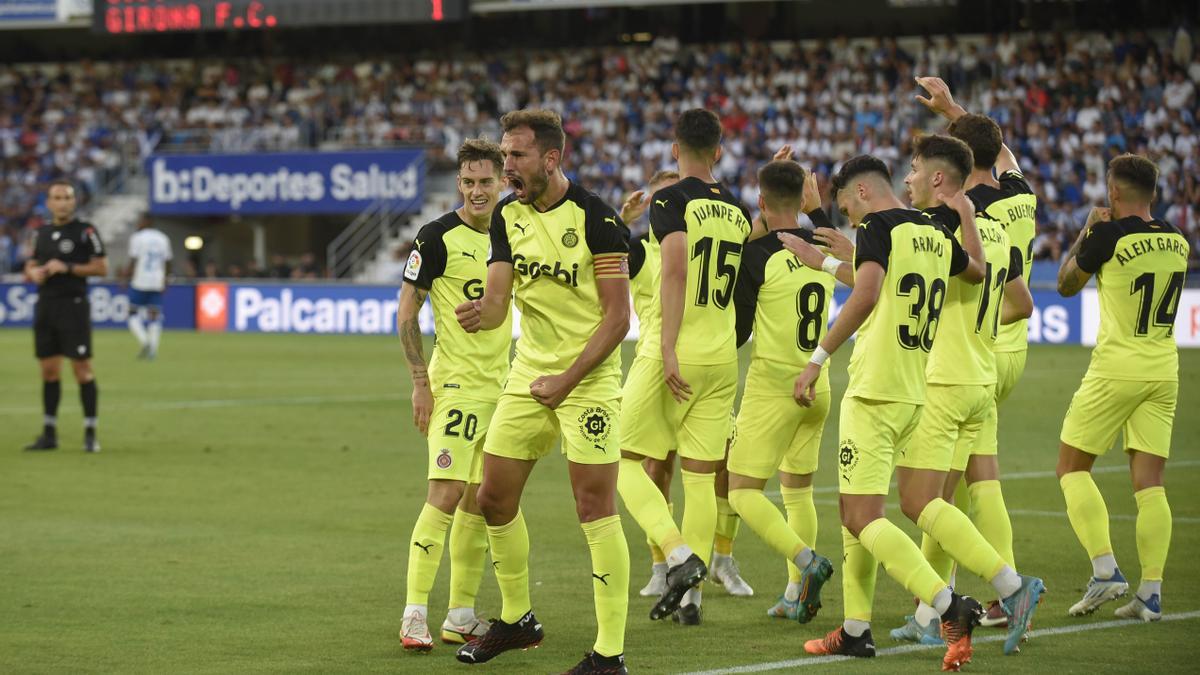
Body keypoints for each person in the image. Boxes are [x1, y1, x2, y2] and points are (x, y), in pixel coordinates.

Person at [785, 153, 988, 669]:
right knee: (859, 513)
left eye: (847, 209)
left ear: (860, 194)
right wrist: (827, 262)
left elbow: (869, 292)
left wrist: (815, 361)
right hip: (914, 391)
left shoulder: (877, 224)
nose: (851, 221)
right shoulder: (932, 231)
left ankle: (949, 604)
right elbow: (978, 271)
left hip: (874, 388)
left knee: (860, 515)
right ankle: (856, 630)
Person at [454, 109, 632, 674]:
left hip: (588, 380)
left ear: (551, 159)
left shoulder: (598, 219)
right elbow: (502, 298)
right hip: (529, 375)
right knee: (492, 497)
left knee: (594, 508)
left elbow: (617, 319)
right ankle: (518, 619)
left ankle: (609, 654)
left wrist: (567, 380)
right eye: (505, 155)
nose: (507, 166)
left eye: (517, 156)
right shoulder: (509, 216)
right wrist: (482, 313)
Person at [884, 135, 1041, 655]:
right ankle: (932, 614)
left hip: (943, 383)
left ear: (937, 179)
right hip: (981, 378)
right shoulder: (992, 227)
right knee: (942, 502)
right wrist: (975, 327)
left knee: (918, 500)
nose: (906, 178)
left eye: (912, 169)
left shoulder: (933, 230)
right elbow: (1021, 303)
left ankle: (1010, 587)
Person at [615, 108, 752, 626]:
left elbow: (673, 271)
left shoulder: (670, 200)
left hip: (674, 352)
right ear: (718, 151)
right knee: (698, 478)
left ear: (676, 150)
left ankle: (677, 555)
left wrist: (669, 346)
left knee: (622, 460)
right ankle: (691, 602)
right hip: (723, 358)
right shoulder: (736, 212)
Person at [914, 75, 1042, 629]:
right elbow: (1002, 152)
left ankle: (937, 605)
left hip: (973, 343)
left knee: (937, 487)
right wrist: (955, 111)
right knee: (977, 481)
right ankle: (977, 599)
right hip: (1008, 341)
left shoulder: (964, 211)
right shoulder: (1019, 195)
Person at [1056, 154, 1189, 623]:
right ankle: (1150, 592)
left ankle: (1105, 568)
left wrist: (1087, 231)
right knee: (1150, 484)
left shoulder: (1107, 234)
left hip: (1117, 367)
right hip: (1163, 369)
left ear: (1113, 193)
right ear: (1152, 193)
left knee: (1071, 468)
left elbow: (1067, 284)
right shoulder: (1177, 238)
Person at [726, 160, 853, 624]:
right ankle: (793, 593)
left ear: (760, 203)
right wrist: (814, 207)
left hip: (774, 388)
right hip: (817, 382)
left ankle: (806, 563)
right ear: (803, 199)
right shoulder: (819, 243)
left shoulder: (755, 255)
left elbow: (739, 333)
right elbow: (823, 225)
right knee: (797, 493)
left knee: (741, 493)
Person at [398, 139, 511, 652]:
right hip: (457, 386)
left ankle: (461, 613)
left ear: (502, 180)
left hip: (503, 388)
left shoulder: (515, 233)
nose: (476, 191)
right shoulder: (438, 235)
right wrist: (421, 381)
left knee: (481, 501)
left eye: (485, 181)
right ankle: (414, 613)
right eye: (467, 182)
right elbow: (407, 310)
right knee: (444, 494)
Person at [23, 180, 108, 453]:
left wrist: (67, 267)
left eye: (67, 197)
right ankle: (49, 433)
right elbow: (31, 263)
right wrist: (32, 273)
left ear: (74, 202)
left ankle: (90, 432)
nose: (62, 202)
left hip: (74, 306)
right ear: (48, 203)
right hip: (46, 305)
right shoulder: (41, 233)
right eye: (57, 198)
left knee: (82, 370)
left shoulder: (86, 231)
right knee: (48, 371)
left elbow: (101, 267)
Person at [125, 213, 173, 360]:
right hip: (156, 282)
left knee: (132, 314)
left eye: (140, 220)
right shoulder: (163, 238)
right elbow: (168, 261)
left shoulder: (137, 238)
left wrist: (125, 277)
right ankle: (152, 349)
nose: (138, 223)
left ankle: (145, 341)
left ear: (146, 221)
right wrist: (166, 280)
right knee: (154, 316)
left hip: (140, 281)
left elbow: (133, 260)